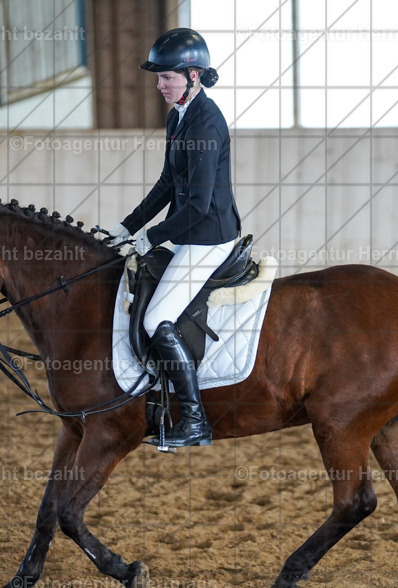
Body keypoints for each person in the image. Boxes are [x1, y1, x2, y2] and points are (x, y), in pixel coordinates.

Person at [109, 28, 241, 448]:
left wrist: (152, 237)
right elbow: (168, 182)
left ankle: (196, 421)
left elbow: (198, 206)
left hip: (208, 236)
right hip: (186, 232)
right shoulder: (178, 116)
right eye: (158, 77)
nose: (160, 85)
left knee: (155, 319)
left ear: (193, 75)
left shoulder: (207, 122)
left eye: (167, 77)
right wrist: (128, 226)